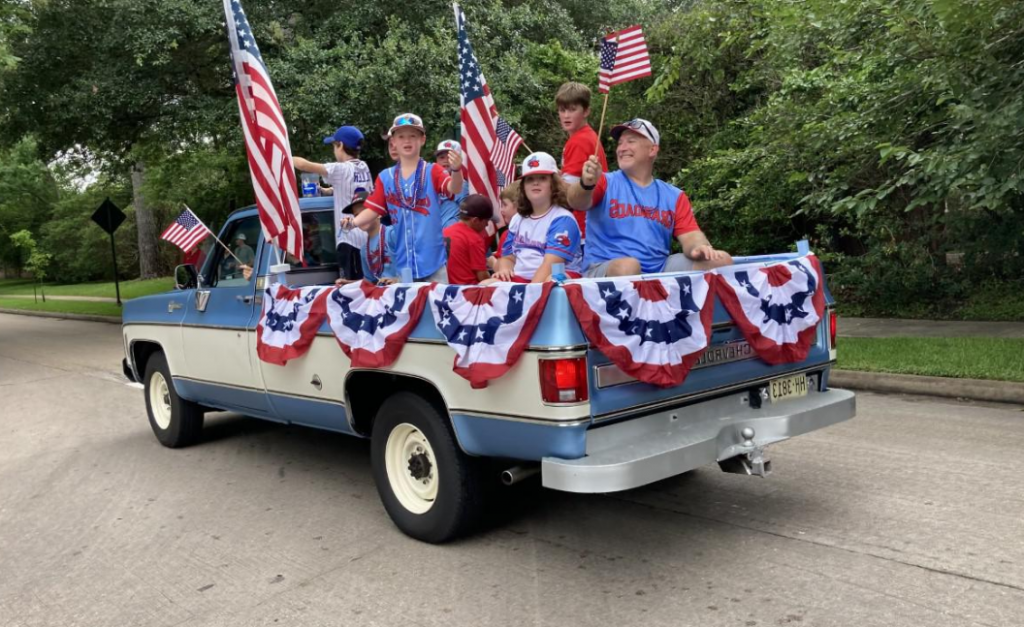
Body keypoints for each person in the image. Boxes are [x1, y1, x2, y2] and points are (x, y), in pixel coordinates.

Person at [568, 118, 732, 277]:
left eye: (631, 141)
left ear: (652, 150)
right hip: (606, 269)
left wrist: (699, 247)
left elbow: (691, 235)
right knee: (629, 266)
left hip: (658, 270)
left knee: (721, 260)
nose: (622, 148)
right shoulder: (604, 181)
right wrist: (586, 184)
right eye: (620, 143)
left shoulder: (674, 196)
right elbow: (576, 201)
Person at [345, 113, 463, 283]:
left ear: (422, 139)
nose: (407, 141)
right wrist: (352, 223)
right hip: (403, 265)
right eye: (401, 136)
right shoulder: (386, 177)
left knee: (435, 308)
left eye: (413, 136)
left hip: (433, 263)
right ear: (393, 141)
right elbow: (373, 209)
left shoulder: (433, 170)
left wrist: (457, 170)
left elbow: (454, 188)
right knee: (409, 309)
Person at [489, 152, 582, 283]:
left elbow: (551, 265)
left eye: (543, 178)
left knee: (551, 282)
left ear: (554, 184)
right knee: (486, 285)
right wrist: (504, 269)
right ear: (523, 186)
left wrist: (530, 293)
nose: (535, 183)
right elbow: (508, 257)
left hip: (559, 276)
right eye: (530, 179)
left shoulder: (563, 219)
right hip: (523, 280)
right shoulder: (517, 219)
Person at [293, 125, 373, 254]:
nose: (333, 151)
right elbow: (355, 189)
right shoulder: (363, 167)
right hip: (367, 237)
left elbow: (303, 165)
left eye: (334, 146)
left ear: (340, 145)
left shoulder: (340, 169)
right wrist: (328, 190)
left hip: (349, 239)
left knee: (351, 275)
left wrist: (285, 154)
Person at [555, 82, 609, 243]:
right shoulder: (587, 136)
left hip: (581, 225)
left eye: (572, 110)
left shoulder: (579, 141)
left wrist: (550, 176)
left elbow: (568, 193)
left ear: (586, 111)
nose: (566, 116)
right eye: (562, 110)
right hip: (593, 222)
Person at [335, 192, 396, 285]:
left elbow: (416, 265)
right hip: (383, 297)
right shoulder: (364, 250)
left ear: (379, 213)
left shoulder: (393, 233)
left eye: (364, 213)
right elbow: (370, 282)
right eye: (356, 216)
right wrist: (348, 283)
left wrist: (398, 280)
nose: (360, 218)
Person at [443, 194, 492, 285]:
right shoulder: (474, 239)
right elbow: (482, 277)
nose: (487, 225)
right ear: (475, 221)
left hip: (447, 289)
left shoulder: (444, 232)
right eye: (486, 221)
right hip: (469, 291)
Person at [434, 140, 469, 229]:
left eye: (450, 157)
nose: (445, 161)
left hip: (451, 234)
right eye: (442, 157)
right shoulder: (430, 181)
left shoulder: (462, 184)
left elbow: (467, 213)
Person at [487, 181, 519, 271]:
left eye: (505, 205)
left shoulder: (507, 235)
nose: (501, 210)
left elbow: (502, 270)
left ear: (519, 206)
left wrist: (490, 259)